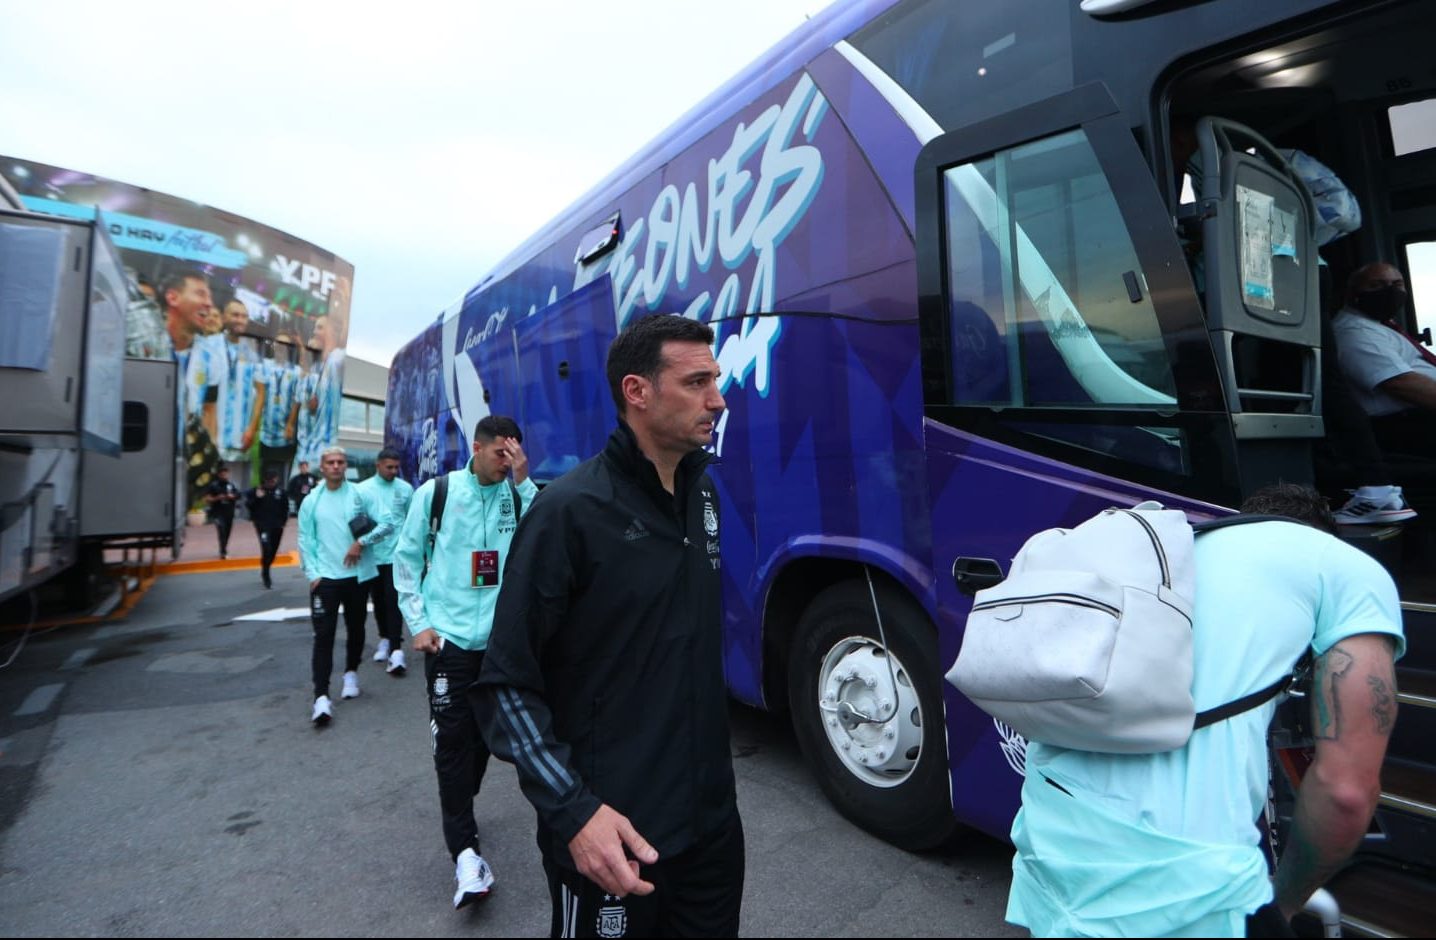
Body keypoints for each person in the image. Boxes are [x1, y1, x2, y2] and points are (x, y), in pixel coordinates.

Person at [1005, 482, 1403, 937]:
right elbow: (1345, 793)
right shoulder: (1345, 567)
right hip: (1186, 883)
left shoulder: (1179, 551)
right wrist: (1284, 902)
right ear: (1325, 534)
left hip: (1051, 831)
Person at [476, 314, 742, 938]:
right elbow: (505, 686)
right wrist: (575, 813)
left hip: (711, 833)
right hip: (612, 839)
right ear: (637, 391)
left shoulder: (703, 495)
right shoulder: (568, 511)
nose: (717, 400)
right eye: (697, 382)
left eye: (715, 379)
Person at [392, 415, 537, 910]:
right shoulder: (436, 493)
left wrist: (524, 480)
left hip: (498, 646)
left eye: (514, 454)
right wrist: (419, 624)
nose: (507, 462)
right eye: (500, 453)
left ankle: (463, 801)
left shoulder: (516, 493)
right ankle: (466, 856)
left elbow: (544, 537)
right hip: (448, 642)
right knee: (452, 745)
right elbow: (406, 560)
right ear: (477, 447)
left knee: (483, 741)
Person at [296, 446, 389, 725]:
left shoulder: (360, 495)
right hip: (325, 579)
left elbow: (387, 524)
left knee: (356, 628)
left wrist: (361, 542)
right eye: (331, 462)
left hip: (356, 577)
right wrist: (313, 574)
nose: (336, 466)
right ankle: (321, 697)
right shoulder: (312, 501)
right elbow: (305, 539)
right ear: (322, 467)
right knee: (323, 636)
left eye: (340, 462)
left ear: (345, 466)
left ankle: (351, 674)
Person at [1332, 262, 1436, 495]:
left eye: (1397, 284)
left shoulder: (1380, 327)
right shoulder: (1354, 331)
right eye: (1376, 285)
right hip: (1403, 427)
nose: (1390, 291)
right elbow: (1399, 383)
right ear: (1353, 293)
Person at [357, 447, 414, 676]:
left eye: (396, 468)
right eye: (389, 467)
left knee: (394, 599)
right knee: (378, 600)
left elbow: (412, 520)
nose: (393, 471)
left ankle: (397, 650)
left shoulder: (405, 489)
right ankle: (384, 638)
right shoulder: (363, 489)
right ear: (378, 465)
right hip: (372, 555)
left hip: (397, 555)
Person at [245, 469, 290, 589]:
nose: (271, 483)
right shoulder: (257, 491)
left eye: (273, 480)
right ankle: (266, 574)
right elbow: (248, 505)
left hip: (277, 525)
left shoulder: (281, 492)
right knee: (266, 548)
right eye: (269, 480)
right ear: (265, 480)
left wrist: (283, 522)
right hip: (262, 525)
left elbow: (285, 508)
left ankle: (266, 566)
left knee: (273, 551)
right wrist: (257, 497)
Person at [203, 465, 240, 559]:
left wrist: (232, 496)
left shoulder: (231, 485)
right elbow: (207, 498)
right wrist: (217, 498)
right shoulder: (214, 485)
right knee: (221, 530)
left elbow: (238, 495)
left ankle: (223, 548)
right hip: (218, 513)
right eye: (223, 475)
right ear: (219, 475)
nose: (225, 476)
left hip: (229, 513)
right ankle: (223, 551)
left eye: (226, 474)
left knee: (227, 532)